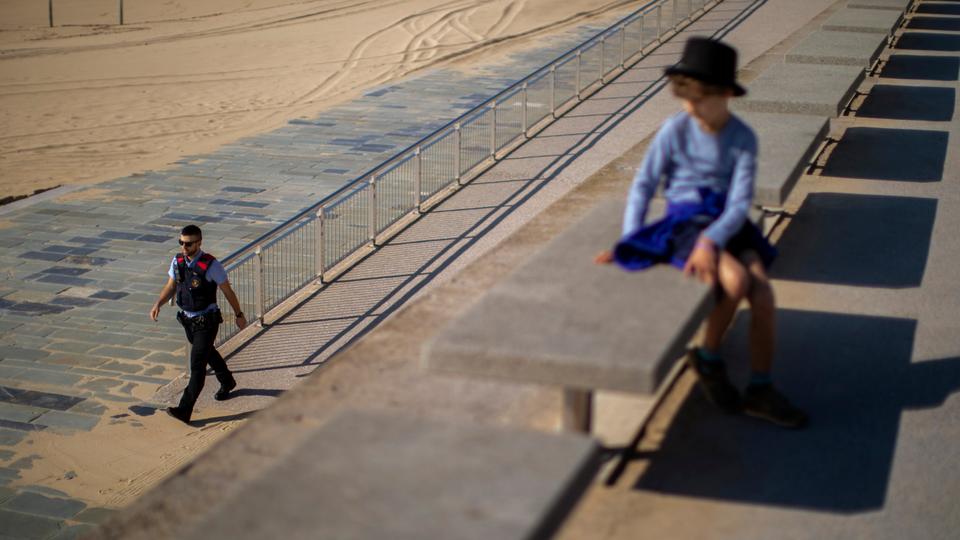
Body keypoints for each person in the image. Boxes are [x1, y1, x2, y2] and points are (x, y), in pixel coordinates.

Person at [595, 37, 807, 429]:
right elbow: (644, 185)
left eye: (701, 98)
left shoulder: (743, 137)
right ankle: (709, 358)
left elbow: (739, 202)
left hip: (724, 221)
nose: (691, 107)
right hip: (687, 219)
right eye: (685, 97)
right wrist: (631, 238)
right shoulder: (675, 129)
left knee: (763, 295)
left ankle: (759, 388)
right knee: (737, 278)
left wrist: (713, 241)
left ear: (726, 94)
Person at [150, 224, 247, 424]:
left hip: (207, 321)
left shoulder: (211, 265)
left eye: (188, 244)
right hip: (188, 321)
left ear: (199, 243)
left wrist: (239, 314)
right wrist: (158, 303)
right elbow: (171, 285)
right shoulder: (177, 262)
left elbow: (228, 291)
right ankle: (227, 381)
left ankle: (184, 410)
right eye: (181, 243)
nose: (184, 248)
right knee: (208, 352)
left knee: (197, 366)